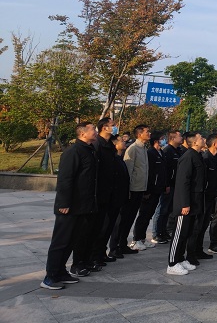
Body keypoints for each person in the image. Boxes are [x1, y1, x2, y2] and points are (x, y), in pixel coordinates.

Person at [40, 122, 98, 290]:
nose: (95, 131)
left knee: (72, 240)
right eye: (92, 129)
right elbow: (65, 179)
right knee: (61, 241)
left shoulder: (89, 150)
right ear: (83, 133)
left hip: (82, 205)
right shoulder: (73, 151)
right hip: (69, 206)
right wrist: (64, 203)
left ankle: (60, 272)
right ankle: (50, 276)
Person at [167, 133, 206, 275]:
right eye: (200, 138)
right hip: (185, 203)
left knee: (187, 232)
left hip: (195, 201)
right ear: (194, 142)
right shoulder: (188, 157)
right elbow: (183, 182)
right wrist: (184, 203)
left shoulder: (197, 155)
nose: (203, 139)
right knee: (179, 233)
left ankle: (180, 259)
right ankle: (172, 263)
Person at [110, 125, 150, 256]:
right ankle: (115, 246)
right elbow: (128, 171)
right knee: (123, 219)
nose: (149, 134)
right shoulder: (133, 148)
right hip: (132, 190)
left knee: (130, 218)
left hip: (140, 189)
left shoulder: (143, 148)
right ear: (139, 134)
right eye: (147, 132)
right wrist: (128, 190)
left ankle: (123, 244)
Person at [89, 117, 117, 269]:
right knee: (98, 227)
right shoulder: (97, 144)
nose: (115, 127)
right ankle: (93, 256)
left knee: (107, 225)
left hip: (110, 191)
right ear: (105, 127)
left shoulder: (109, 145)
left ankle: (101, 253)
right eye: (113, 125)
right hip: (99, 192)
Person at [131, 132, 166, 250]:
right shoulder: (150, 153)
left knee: (148, 215)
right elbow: (149, 173)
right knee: (143, 215)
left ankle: (142, 238)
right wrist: (147, 190)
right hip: (149, 190)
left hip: (157, 189)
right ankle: (136, 239)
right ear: (156, 141)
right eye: (162, 138)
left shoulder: (160, 152)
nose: (164, 140)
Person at [189, 133, 217, 259]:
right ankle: (192, 252)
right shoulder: (206, 158)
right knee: (198, 226)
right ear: (214, 143)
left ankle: (199, 250)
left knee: (203, 226)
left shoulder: (215, 158)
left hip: (211, 197)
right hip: (203, 198)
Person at [154, 130, 182, 243]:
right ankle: (157, 233)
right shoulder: (168, 151)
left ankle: (164, 231)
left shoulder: (178, 150)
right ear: (173, 138)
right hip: (168, 185)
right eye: (179, 136)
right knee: (162, 209)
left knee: (168, 209)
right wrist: (166, 184)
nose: (181, 138)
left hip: (175, 185)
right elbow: (165, 170)